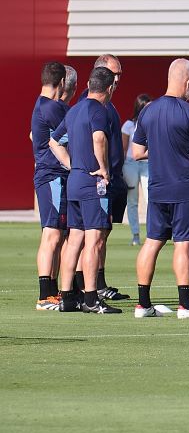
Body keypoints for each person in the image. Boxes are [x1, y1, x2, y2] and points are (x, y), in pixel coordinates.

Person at [130, 59, 189, 318]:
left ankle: (143, 304)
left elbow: (137, 152)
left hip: (158, 188)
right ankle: (185, 306)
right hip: (185, 188)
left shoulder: (147, 111)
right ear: (188, 83)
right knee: (183, 245)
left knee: (152, 242)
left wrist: (162, 150)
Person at [48, 66, 121, 313]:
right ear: (110, 88)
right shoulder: (98, 111)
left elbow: (53, 141)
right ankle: (91, 299)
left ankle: (67, 296)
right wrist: (103, 168)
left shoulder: (74, 110)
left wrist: (71, 163)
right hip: (93, 184)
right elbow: (99, 138)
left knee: (74, 239)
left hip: (76, 180)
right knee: (94, 239)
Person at [32, 61, 69, 311]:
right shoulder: (51, 107)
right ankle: (45, 295)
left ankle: (52, 291)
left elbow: (33, 136)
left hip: (50, 175)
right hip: (51, 176)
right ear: (63, 83)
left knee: (56, 234)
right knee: (52, 234)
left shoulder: (41, 105)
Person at [94, 54, 129, 301]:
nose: (117, 79)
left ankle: (99, 282)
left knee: (103, 233)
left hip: (115, 178)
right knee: (93, 235)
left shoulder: (110, 106)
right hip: (100, 181)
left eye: (119, 74)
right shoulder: (95, 107)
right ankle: (89, 285)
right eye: (114, 74)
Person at [121, 93, 152, 246]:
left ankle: (152, 234)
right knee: (132, 201)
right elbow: (124, 148)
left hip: (147, 164)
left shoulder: (153, 124)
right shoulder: (128, 125)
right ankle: (135, 234)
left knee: (150, 199)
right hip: (131, 164)